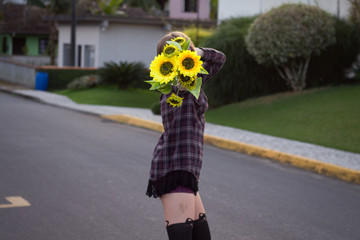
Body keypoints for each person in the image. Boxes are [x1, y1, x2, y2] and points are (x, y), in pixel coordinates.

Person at [146, 31, 226, 240]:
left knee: (202, 236)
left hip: (186, 169)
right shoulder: (177, 88)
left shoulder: (188, 81)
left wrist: (195, 52)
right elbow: (216, 61)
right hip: (175, 168)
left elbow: (219, 59)